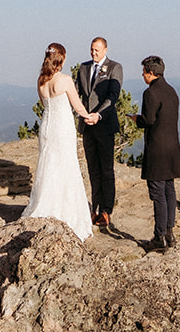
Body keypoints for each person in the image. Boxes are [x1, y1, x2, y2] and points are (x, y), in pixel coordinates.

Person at [19, 42, 95, 240]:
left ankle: (45, 204)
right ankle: (65, 212)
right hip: (62, 127)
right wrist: (90, 116)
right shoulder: (65, 80)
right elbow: (77, 106)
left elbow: (44, 104)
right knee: (66, 165)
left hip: (47, 126)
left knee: (48, 165)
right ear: (62, 59)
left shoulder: (41, 81)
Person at [131, 54, 180, 253]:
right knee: (169, 191)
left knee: (158, 194)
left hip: (157, 150)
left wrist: (138, 120)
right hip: (172, 148)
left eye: (144, 72)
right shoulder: (172, 91)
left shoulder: (150, 93)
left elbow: (149, 119)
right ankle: (169, 233)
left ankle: (159, 237)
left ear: (151, 73)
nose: (142, 75)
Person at [76, 36, 123, 229]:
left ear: (105, 50)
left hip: (104, 125)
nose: (93, 53)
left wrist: (98, 115)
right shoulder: (83, 68)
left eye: (97, 50)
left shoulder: (114, 68)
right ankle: (94, 208)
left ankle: (106, 211)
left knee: (106, 170)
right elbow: (78, 92)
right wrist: (81, 114)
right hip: (87, 126)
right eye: (91, 50)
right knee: (92, 169)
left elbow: (113, 97)